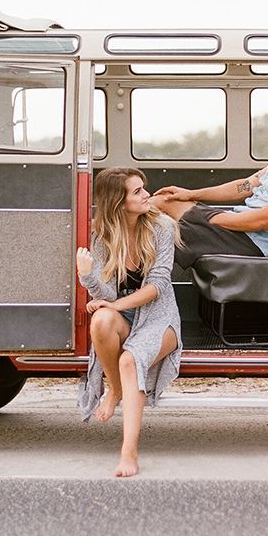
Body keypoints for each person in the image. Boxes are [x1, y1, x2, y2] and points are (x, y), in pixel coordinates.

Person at [151, 79, 268, 267]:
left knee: (158, 207)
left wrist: (211, 218)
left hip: (250, 244)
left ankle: (136, 289)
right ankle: (135, 286)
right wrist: (191, 194)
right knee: (164, 205)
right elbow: (247, 185)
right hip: (240, 229)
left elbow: (266, 220)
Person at [76, 167, 182, 477]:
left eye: (143, 188)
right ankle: (117, 391)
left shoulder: (161, 227)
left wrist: (115, 304)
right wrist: (88, 276)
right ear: (118, 202)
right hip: (126, 316)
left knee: (130, 359)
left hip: (160, 316)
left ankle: (128, 451)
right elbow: (107, 294)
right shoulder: (103, 235)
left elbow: (158, 285)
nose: (147, 194)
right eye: (137, 191)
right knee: (101, 321)